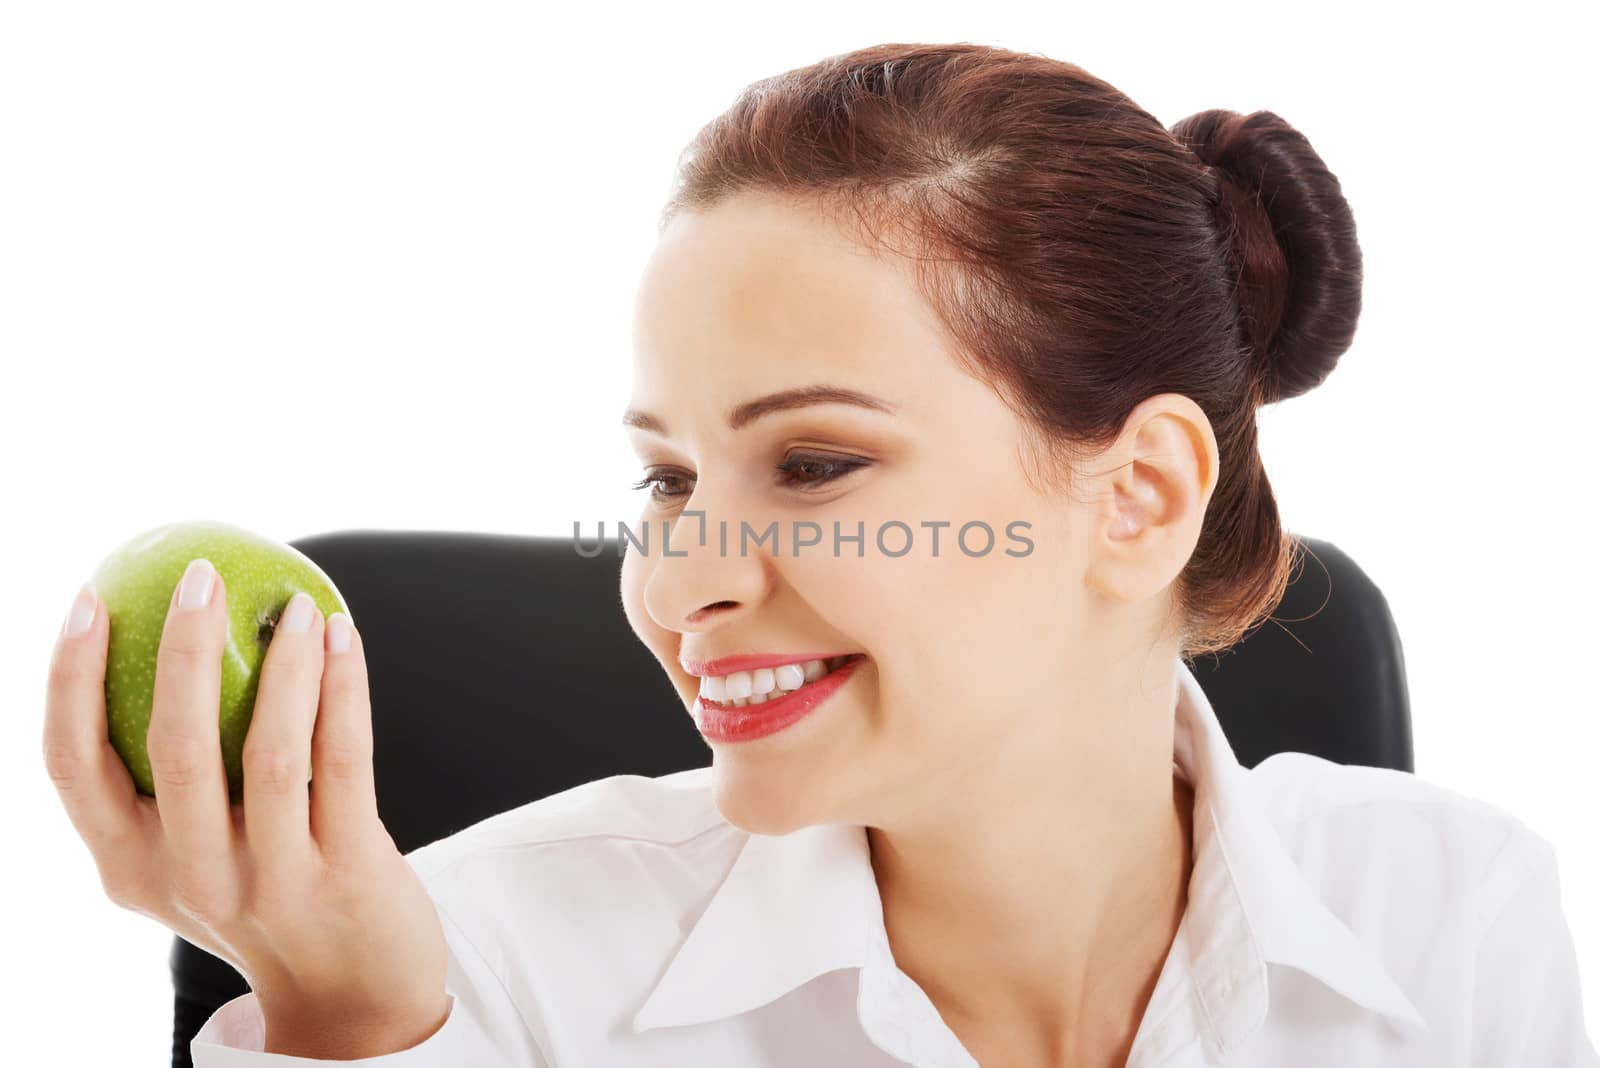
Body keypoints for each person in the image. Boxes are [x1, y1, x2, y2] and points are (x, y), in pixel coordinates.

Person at [45, 42, 1597, 1067]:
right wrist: (352, 1018)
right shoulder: (470, 971)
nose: (675, 580)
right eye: (666, 477)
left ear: (1137, 496)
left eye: (814, 462)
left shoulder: (1454, 919)